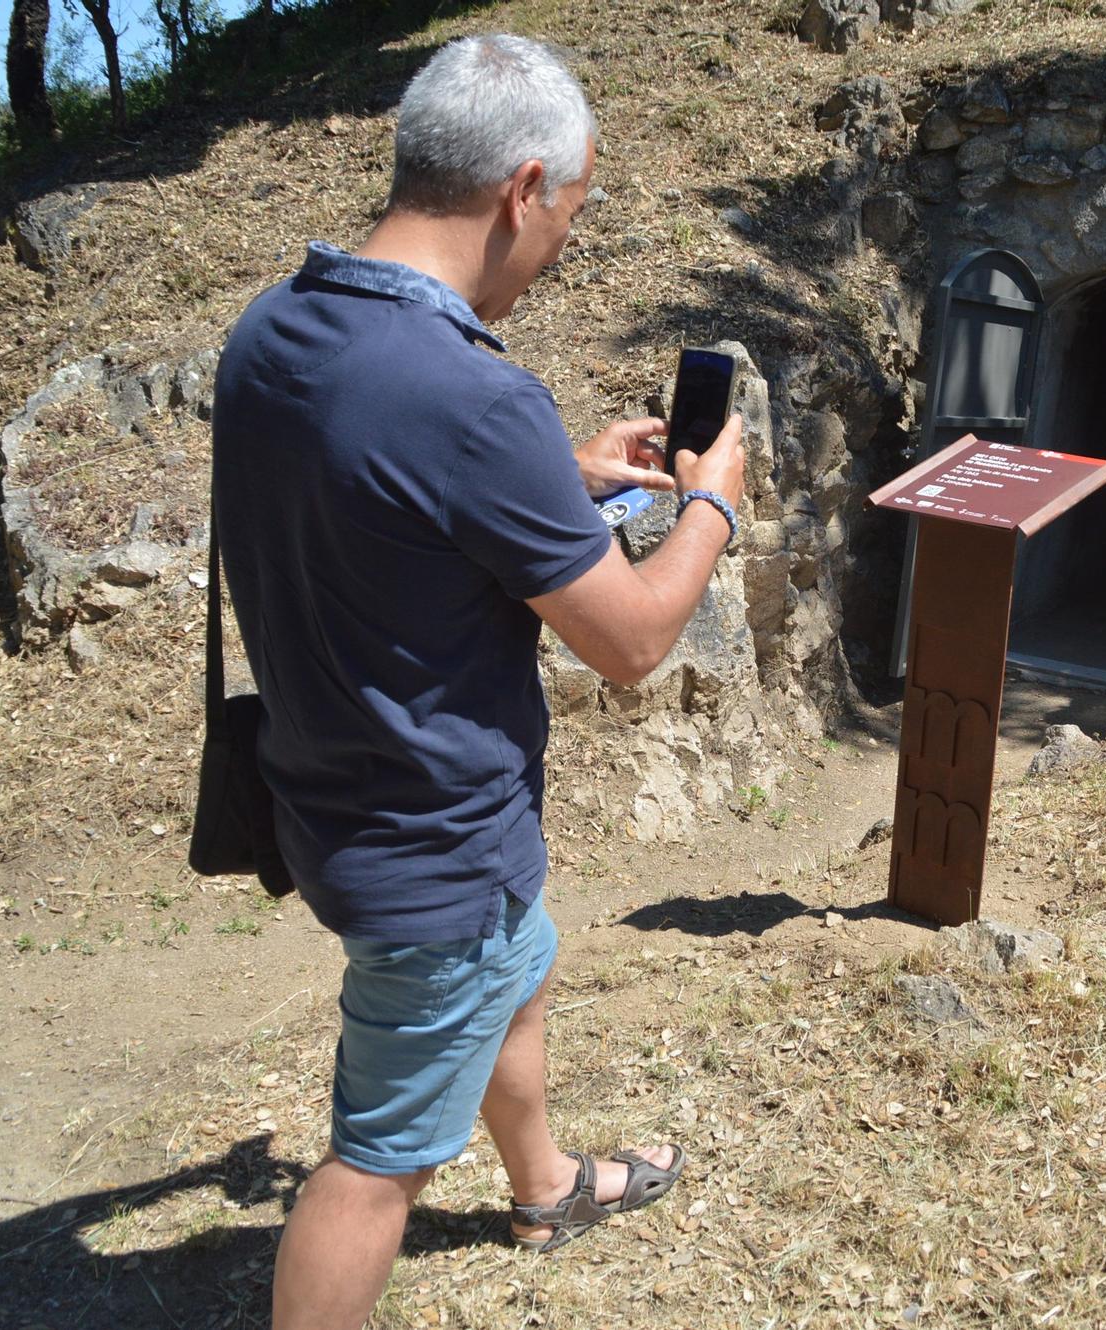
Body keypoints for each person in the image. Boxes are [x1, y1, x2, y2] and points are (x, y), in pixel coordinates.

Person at [210, 34, 746, 1330]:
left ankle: (545, 1181)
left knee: (528, 963)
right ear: (520, 188)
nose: (564, 236)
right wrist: (711, 507)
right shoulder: (469, 397)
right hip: (433, 843)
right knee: (375, 1160)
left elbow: (378, 488)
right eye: (570, 207)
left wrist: (554, 472)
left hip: (327, 793)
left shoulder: (275, 331)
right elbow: (627, 642)